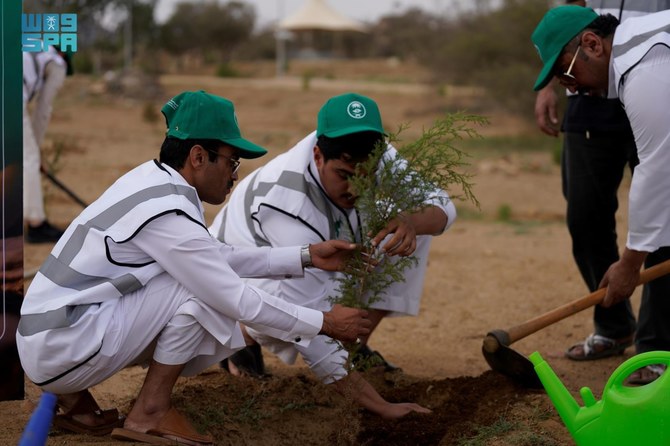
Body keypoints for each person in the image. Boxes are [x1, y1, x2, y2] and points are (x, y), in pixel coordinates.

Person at [16, 90, 372, 445]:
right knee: (200, 289)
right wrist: (324, 322)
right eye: (232, 161)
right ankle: (150, 411)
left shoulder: (152, 182)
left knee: (197, 277)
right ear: (199, 157)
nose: (234, 175)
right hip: (62, 348)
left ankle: (77, 404)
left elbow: (215, 255)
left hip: (48, 339)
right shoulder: (167, 211)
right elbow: (235, 297)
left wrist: (308, 255)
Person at [209, 92, 454, 418]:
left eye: (366, 176)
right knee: (290, 315)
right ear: (318, 156)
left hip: (325, 238)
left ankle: (352, 346)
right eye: (345, 175)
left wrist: (409, 222)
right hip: (250, 267)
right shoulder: (286, 202)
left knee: (406, 229)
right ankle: (242, 336)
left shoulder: (376, 154)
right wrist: (381, 407)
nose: (355, 189)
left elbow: (443, 207)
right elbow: (307, 326)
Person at [534, 1, 670, 384]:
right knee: (586, 216)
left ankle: (658, 346)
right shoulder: (630, 62)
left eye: (565, 73)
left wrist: (629, 264)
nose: (568, 87)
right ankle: (616, 328)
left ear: (593, 44)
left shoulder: (647, 71)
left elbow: (658, 176)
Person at [23, 45, 71, 243]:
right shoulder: (58, 62)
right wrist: (36, 152)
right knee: (28, 158)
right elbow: (43, 110)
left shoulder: (29, 49)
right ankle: (36, 225)